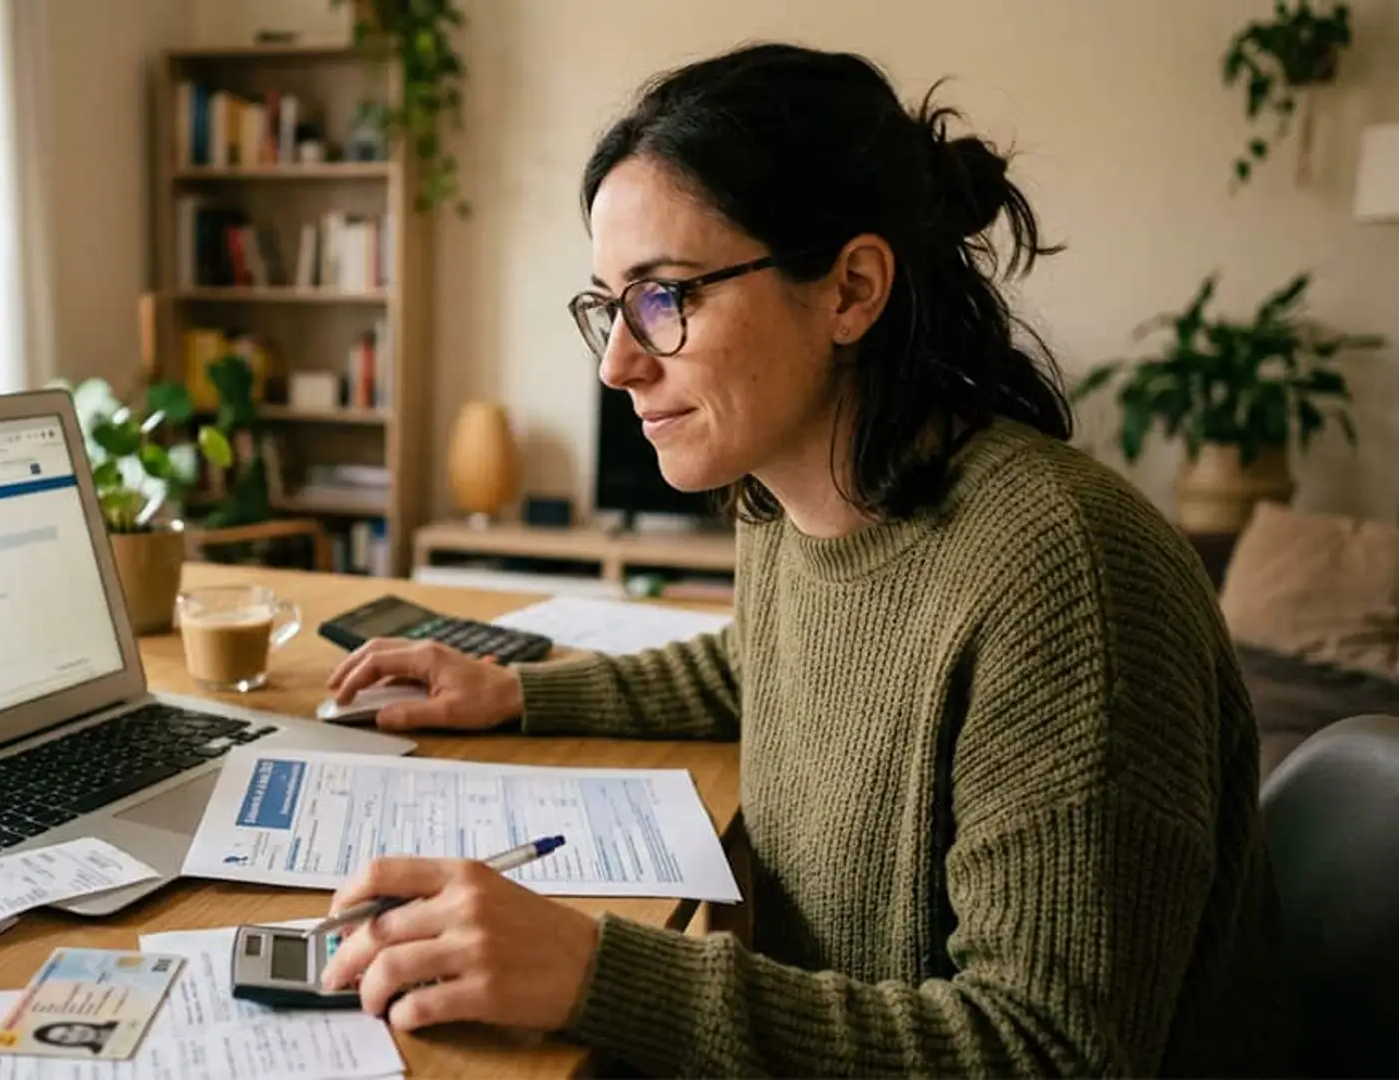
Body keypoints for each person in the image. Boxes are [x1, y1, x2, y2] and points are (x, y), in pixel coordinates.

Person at [319, 41, 1290, 1077]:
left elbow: (1048, 1053)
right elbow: (759, 667)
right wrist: (514, 691)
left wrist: (597, 972)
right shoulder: (787, 507)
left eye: (665, 298)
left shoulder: (1065, 578)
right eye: (611, 304)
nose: (617, 361)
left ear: (850, 289)